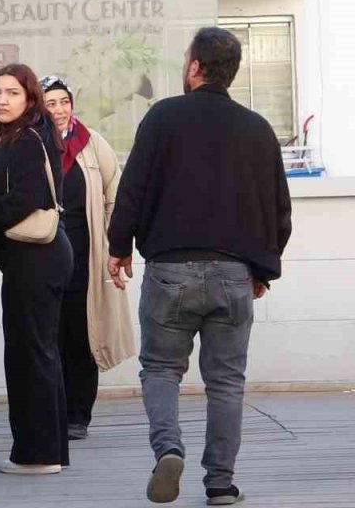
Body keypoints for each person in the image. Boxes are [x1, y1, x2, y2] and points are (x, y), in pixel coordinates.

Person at [107, 27, 292, 506]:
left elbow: (133, 188)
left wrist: (119, 246)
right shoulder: (257, 128)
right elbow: (278, 208)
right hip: (233, 274)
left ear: (194, 67)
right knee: (227, 381)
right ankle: (220, 483)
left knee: (161, 369)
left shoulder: (163, 117)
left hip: (169, 270)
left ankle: (169, 447)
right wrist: (263, 270)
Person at [0, 63, 72, 475]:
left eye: (13, 92)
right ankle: (49, 451)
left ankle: (37, 455)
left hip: (36, 259)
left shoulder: (27, 139)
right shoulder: (25, 137)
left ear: (29, 98)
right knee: (39, 353)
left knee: (28, 355)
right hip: (39, 258)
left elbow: (27, 197)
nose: (3, 99)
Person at [41, 75, 137, 441]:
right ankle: (52, 410)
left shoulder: (93, 144)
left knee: (83, 334)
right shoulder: (32, 144)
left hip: (85, 256)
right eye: (51, 103)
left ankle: (78, 415)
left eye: (64, 102)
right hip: (47, 255)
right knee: (51, 336)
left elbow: (116, 195)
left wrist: (116, 245)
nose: (59, 110)